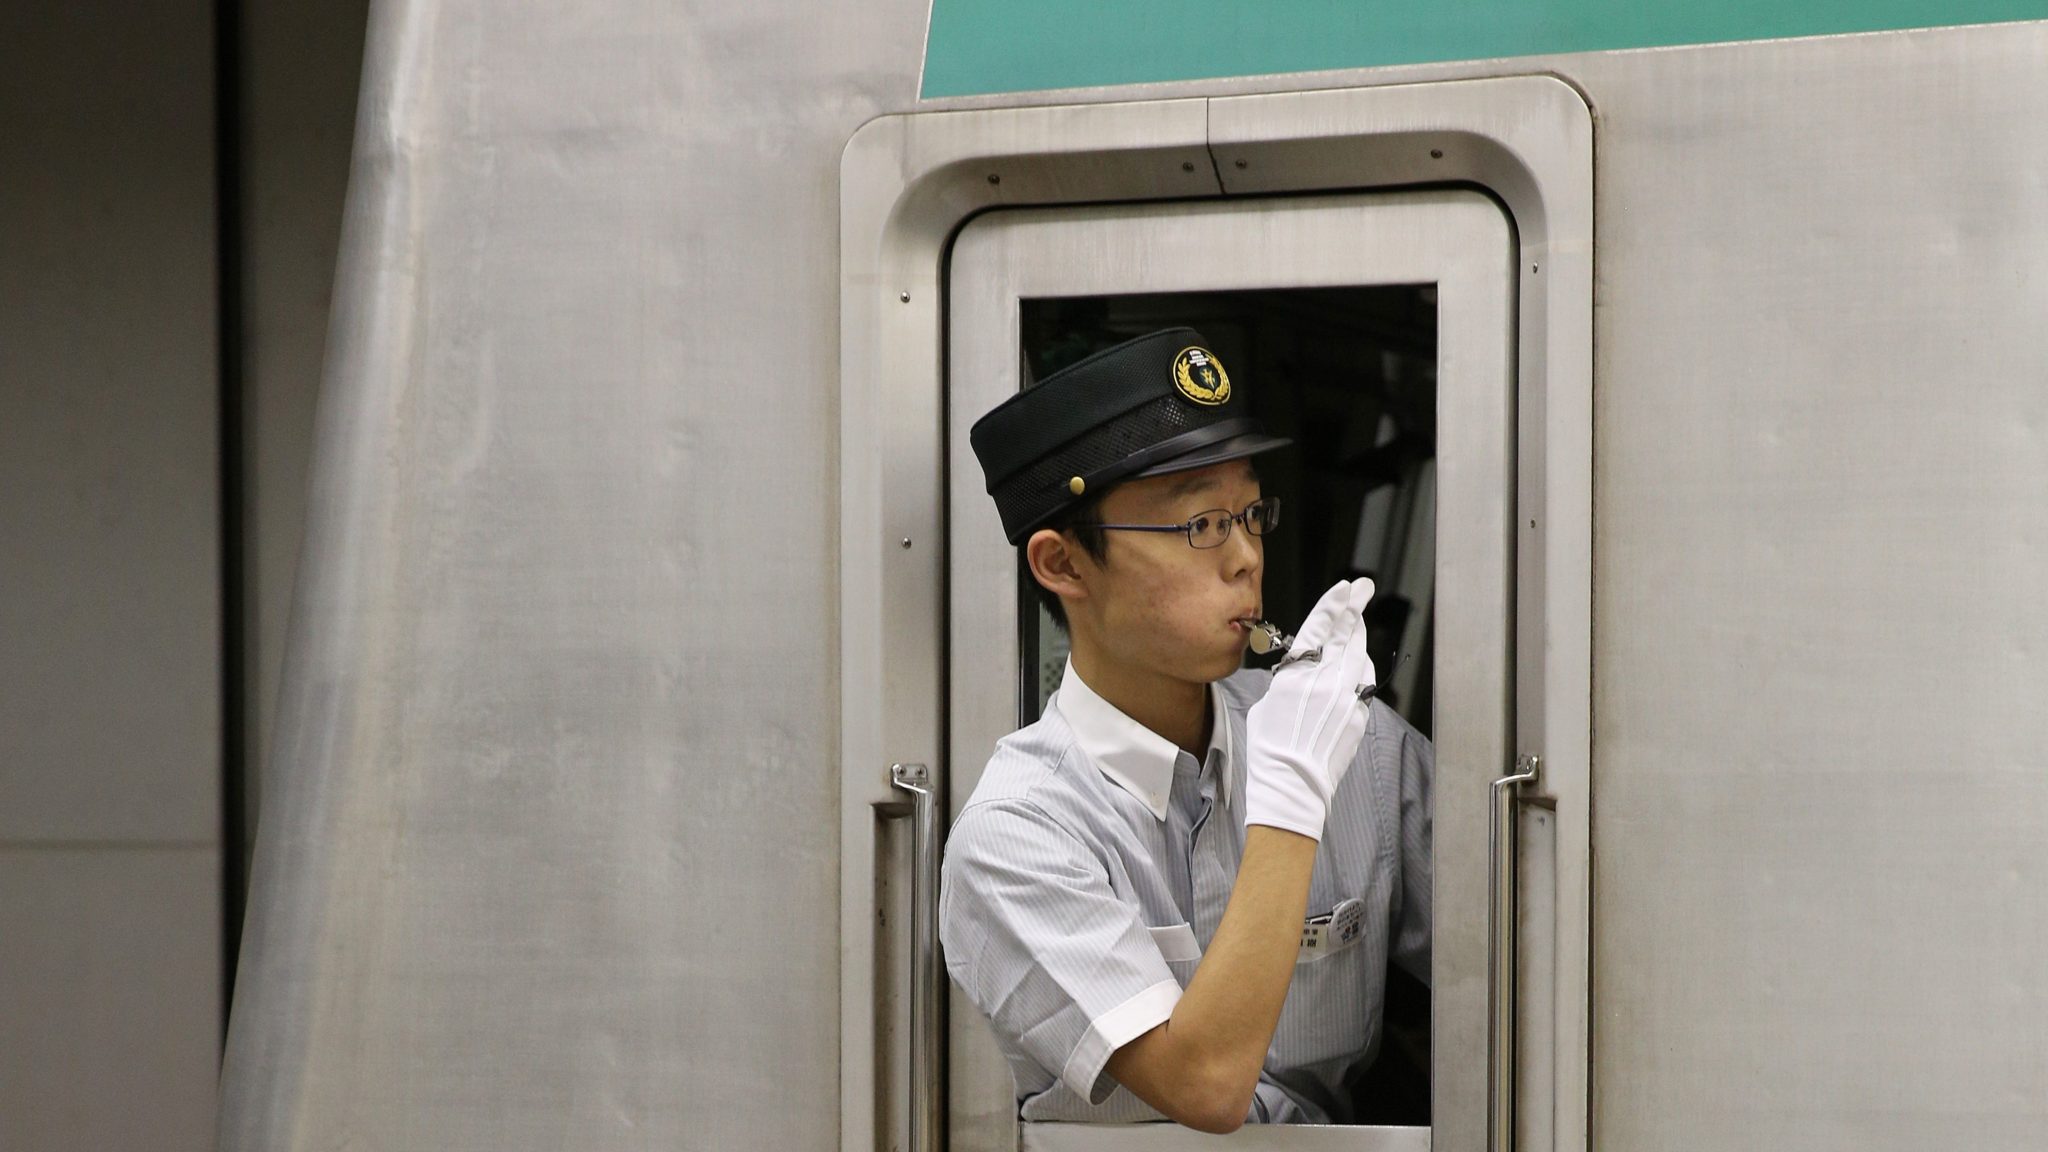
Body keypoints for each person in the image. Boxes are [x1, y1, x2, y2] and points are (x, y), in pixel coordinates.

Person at [940, 326, 1435, 1131]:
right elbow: (1206, 1086)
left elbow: (1517, 962)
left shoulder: (1356, 745)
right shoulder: (1017, 834)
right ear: (1063, 565)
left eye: (1251, 514)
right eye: (1202, 525)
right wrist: (1292, 799)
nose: (1246, 557)